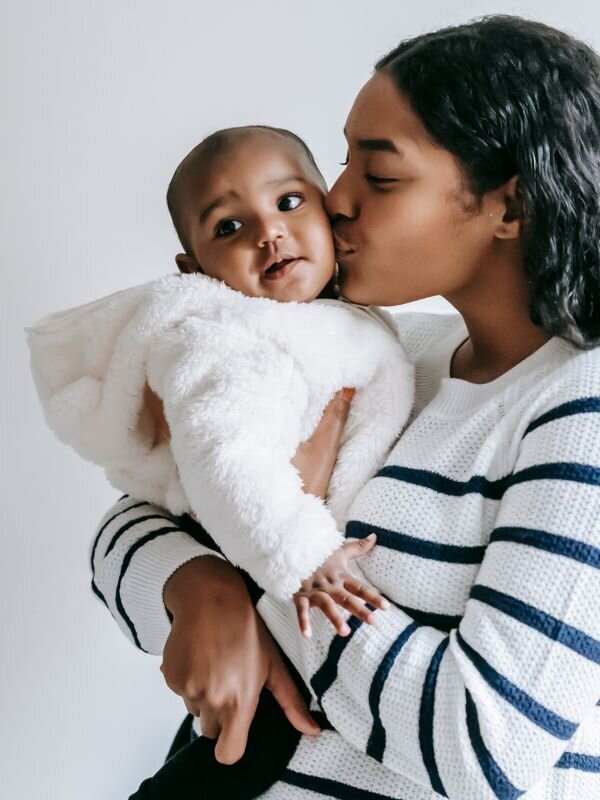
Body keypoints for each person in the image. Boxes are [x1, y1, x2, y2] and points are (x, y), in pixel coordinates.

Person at [93, 15, 600, 800]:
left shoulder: (580, 408)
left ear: (510, 206)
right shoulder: (389, 353)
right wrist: (199, 587)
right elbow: (136, 513)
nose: (333, 202)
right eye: (342, 163)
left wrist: (275, 570)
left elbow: (481, 749)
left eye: (381, 176)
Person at [28, 125, 410, 633]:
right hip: (276, 578)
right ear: (196, 271)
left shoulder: (350, 324)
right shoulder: (224, 341)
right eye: (228, 227)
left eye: (289, 201)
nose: (268, 232)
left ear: (327, 208)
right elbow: (224, 457)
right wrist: (303, 554)